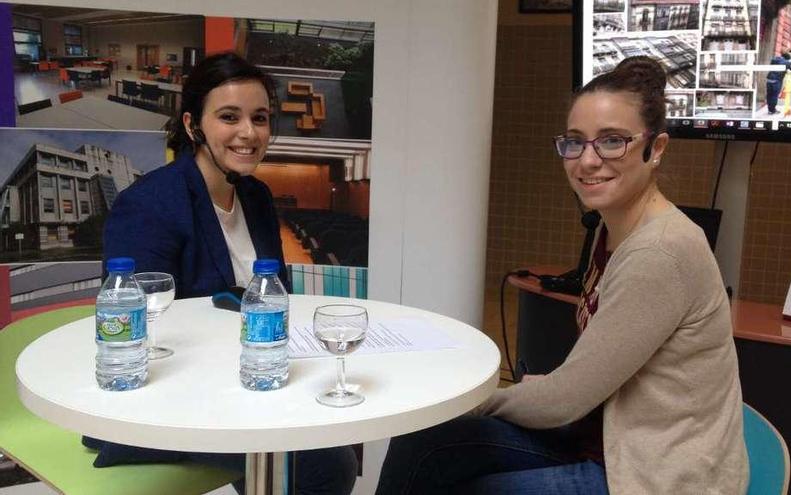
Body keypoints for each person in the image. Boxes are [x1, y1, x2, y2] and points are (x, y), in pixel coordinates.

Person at [376, 56, 749, 494]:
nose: (587, 161)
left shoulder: (658, 250)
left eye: (612, 141)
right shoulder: (612, 230)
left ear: (657, 148)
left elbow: (564, 401)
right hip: (605, 437)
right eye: (575, 142)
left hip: (654, 474)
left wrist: (472, 403)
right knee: (422, 445)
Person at [95, 52, 357, 495]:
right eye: (229, 117)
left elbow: (272, 300)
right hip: (169, 401)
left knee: (337, 436)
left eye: (260, 118)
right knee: (325, 465)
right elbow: (138, 332)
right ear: (194, 125)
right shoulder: (151, 204)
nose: (249, 133)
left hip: (249, 382)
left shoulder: (255, 195)